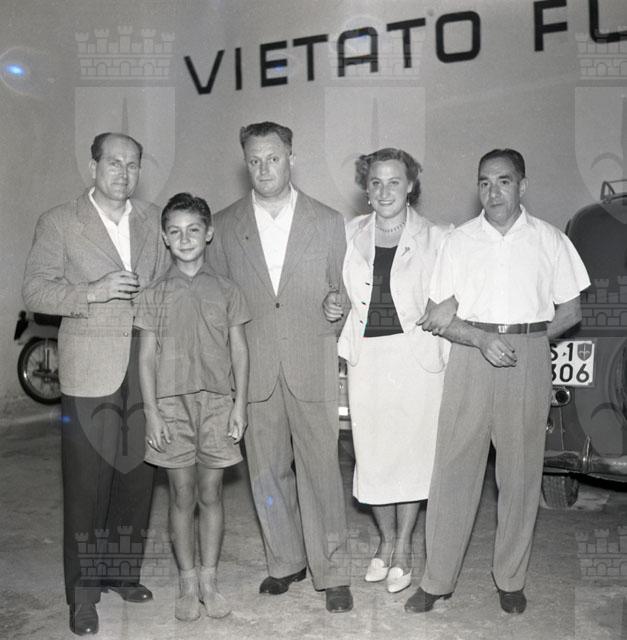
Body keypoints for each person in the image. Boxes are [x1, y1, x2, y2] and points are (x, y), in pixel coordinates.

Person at [405, 148, 590, 615]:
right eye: (484, 182)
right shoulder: (459, 241)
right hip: (471, 356)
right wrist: (482, 339)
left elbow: (571, 310)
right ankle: (436, 580)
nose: (493, 192)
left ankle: (510, 579)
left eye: (503, 181)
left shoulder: (550, 240)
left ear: (522, 186)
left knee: (521, 475)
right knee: (453, 471)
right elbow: (437, 317)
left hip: (527, 359)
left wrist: (530, 342)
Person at [22, 132, 169, 635]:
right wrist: (93, 291)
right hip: (89, 368)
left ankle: (121, 573)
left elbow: (166, 286)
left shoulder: (153, 220)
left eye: (133, 164)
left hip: (144, 363)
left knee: (136, 477)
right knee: (87, 485)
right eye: (114, 163)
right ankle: (82, 596)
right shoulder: (60, 221)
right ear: (93, 167)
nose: (123, 172)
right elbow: (35, 290)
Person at [206, 121, 352, 613]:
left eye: (273, 158)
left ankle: (333, 571)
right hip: (254, 366)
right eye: (254, 160)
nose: (264, 168)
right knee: (266, 473)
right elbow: (218, 302)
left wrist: (335, 308)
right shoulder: (225, 225)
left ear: (292, 157)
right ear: (245, 163)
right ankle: (285, 560)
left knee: (321, 471)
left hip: (311, 360)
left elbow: (343, 291)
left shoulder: (327, 221)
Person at [337, 148, 451, 594]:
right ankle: (384, 542)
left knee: (412, 456)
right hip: (367, 356)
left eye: (395, 182)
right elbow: (338, 289)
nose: (385, 191)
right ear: (366, 190)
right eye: (376, 182)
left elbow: (456, 290)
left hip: (416, 358)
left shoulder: (437, 237)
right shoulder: (349, 233)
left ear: (411, 187)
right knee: (373, 455)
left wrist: (449, 304)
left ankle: (403, 547)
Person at [135, 193, 250, 621]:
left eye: (193, 230)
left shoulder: (227, 290)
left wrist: (239, 405)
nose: (185, 239)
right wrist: (152, 412)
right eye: (175, 231)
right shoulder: (154, 293)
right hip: (171, 406)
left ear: (209, 233)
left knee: (211, 492)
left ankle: (209, 581)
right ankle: (187, 583)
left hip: (218, 404)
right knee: (182, 494)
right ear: (165, 238)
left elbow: (240, 351)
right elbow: (146, 358)